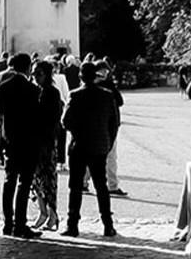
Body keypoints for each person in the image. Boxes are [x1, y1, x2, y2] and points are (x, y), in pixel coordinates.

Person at [62, 61, 118, 237]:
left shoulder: (75, 95)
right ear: (95, 76)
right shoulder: (107, 95)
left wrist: (77, 131)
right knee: (101, 186)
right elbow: (114, 123)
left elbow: (65, 121)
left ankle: (72, 225)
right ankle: (107, 224)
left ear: (80, 76)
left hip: (79, 144)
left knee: (76, 186)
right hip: (99, 145)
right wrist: (108, 142)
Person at [0, 53, 43, 238]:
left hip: (9, 139)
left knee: (9, 182)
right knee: (24, 183)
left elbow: (0, 113)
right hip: (28, 140)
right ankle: (20, 224)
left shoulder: (3, 87)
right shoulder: (33, 89)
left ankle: (8, 223)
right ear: (28, 68)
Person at [30, 60, 63, 231]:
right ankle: (43, 212)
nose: (35, 77)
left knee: (48, 180)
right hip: (35, 141)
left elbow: (52, 120)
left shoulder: (52, 93)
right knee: (36, 181)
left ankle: (52, 214)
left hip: (47, 142)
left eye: (38, 74)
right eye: (34, 73)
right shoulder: (36, 91)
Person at [97, 58, 127, 197]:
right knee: (110, 156)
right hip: (108, 124)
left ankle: (84, 182)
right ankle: (112, 185)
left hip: (103, 124)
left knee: (95, 155)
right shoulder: (107, 86)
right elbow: (120, 101)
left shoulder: (92, 84)